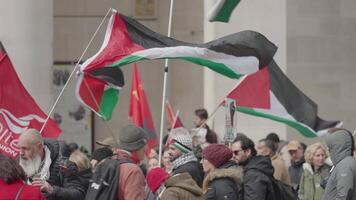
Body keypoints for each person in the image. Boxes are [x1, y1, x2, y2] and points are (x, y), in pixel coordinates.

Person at [18, 129, 85, 200]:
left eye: (25, 148)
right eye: (19, 148)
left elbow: (79, 195)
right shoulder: (18, 164)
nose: (21, 153)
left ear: (40, 147)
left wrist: (52, 190)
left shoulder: (65, 165)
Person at [231, 134, 275, 200]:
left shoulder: (253, 174)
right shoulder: (252, 168)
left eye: (236, 152)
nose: (233, 156)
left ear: (248, 152)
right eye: (232, 153)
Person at [111, 124, 147, 200]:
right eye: (145, 145)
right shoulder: (133, 170)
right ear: (139, 147)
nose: (146, 149)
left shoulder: (107, 162)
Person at [323, 129, 356, 200]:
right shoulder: (344, 163)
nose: (328, 149)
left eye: (330, 146)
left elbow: (344, 195)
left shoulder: (345, 165)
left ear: (336, 146)